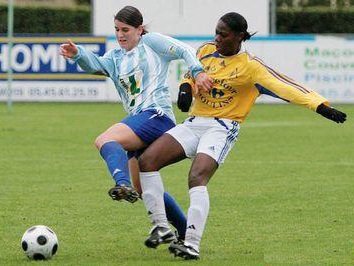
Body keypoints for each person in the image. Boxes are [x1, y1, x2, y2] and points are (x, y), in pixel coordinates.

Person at [138, 12, 347, 260]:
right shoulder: (205, 51)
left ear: (238, 37)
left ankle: (191, 244)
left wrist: (320, 106)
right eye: (216, 32)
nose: (217, 38)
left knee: (196, 177)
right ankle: (162, 227)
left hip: (222, 128)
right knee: (147, 161)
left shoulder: (251, 67)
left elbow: (286, 86)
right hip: (194, 123)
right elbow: (191, 71)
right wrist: (186, 87)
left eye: (223, 34)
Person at [59, 5, 213, 244]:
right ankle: (182, 232)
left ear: (140, 29)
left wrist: (197, 71)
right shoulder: (115, 57)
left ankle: (121, 185)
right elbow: (95, 64)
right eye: (117, 29)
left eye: (126, 29)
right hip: (140, 120)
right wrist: (78, 54)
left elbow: (183, 49)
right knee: (144, 188)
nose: (120, 34)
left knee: (104, 139)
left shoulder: (151, 43)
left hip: (156, 115)